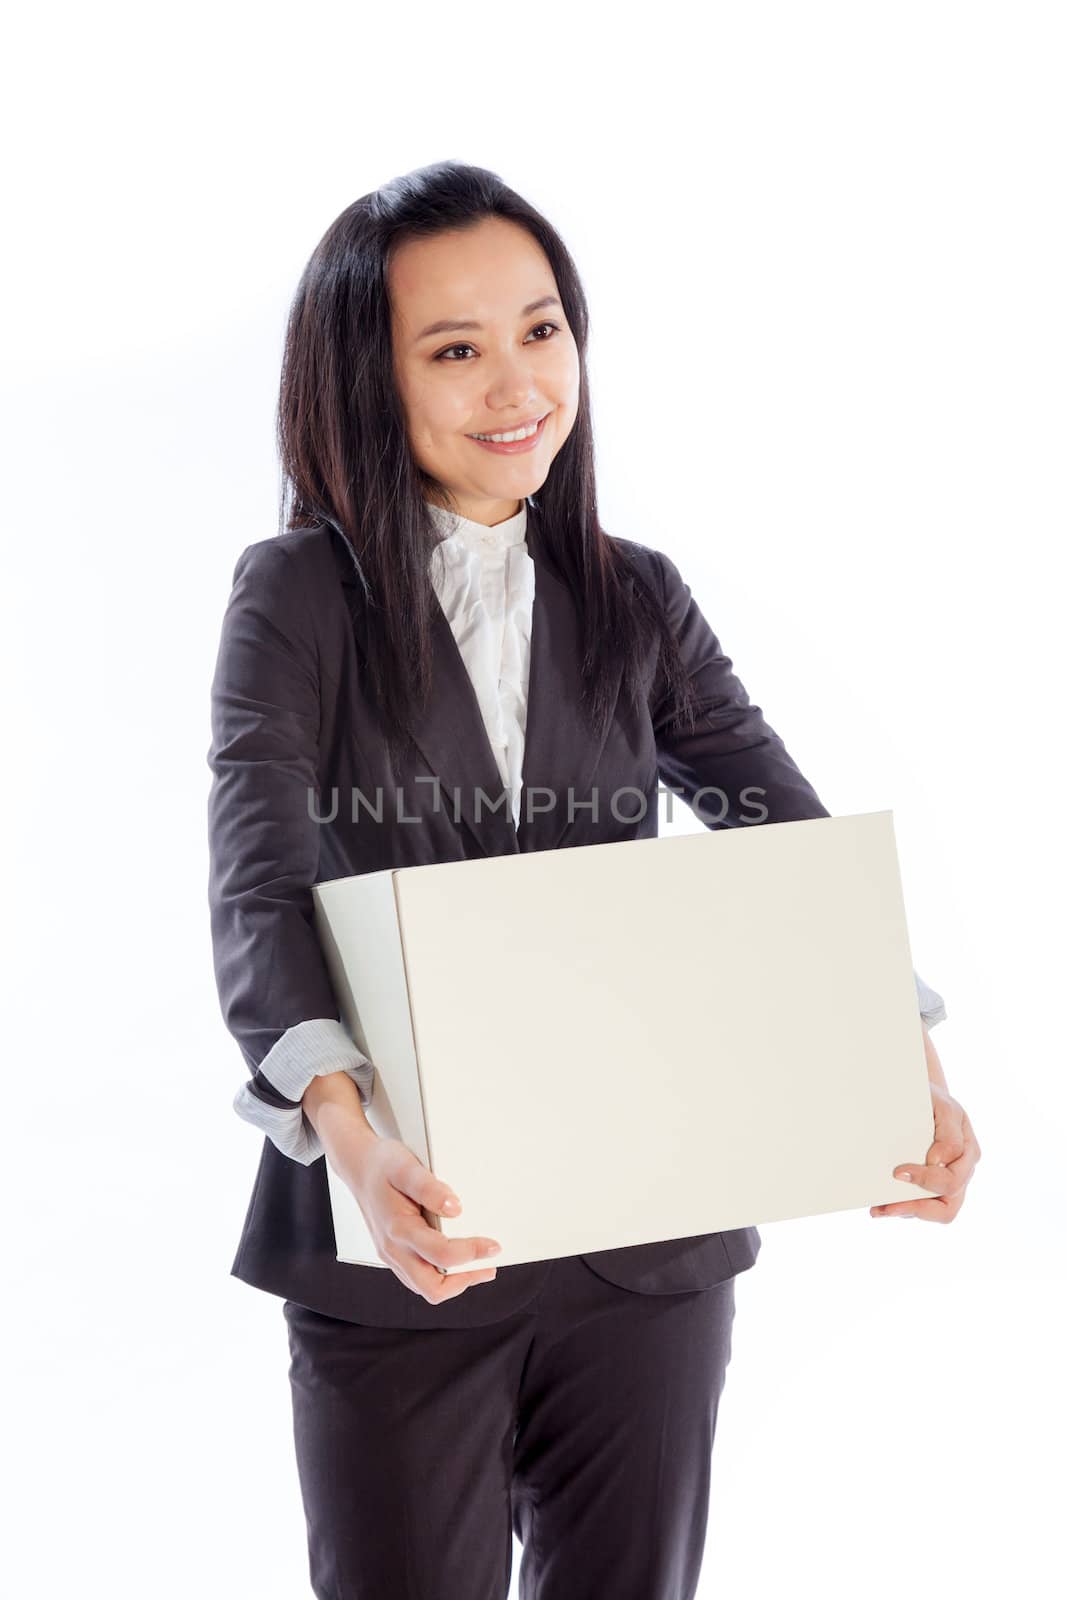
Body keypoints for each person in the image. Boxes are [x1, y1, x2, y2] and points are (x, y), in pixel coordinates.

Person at [206, 160, 980, 1600]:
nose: (518, 385)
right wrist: (352, 1144)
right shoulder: (298, 598)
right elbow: (256, 880)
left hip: (649, 1239)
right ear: (369, 385)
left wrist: (903, 1063)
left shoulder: (638, 594)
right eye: (455, 349)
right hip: (407, 1226)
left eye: (542, 329)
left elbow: (782, 840)